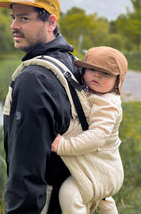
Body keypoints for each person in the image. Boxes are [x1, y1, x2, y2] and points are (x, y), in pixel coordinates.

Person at [0, 0, 81, 214]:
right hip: (70, 198)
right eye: (13, 18)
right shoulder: (71, 63)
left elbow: (27, 171)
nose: (14, 26)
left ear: (51, 23)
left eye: (24, 18)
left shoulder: (33, 80)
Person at [51, 46, 128, 214]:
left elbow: (97, 137)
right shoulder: (93, 94)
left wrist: (64, 146)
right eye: (92, 69)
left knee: (70, 194)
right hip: (103, 169)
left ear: (118, 81)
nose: (97, 75)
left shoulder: (108, 103)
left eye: (106, 73)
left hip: (102, 169)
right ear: (83, 70)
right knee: (103, 199)